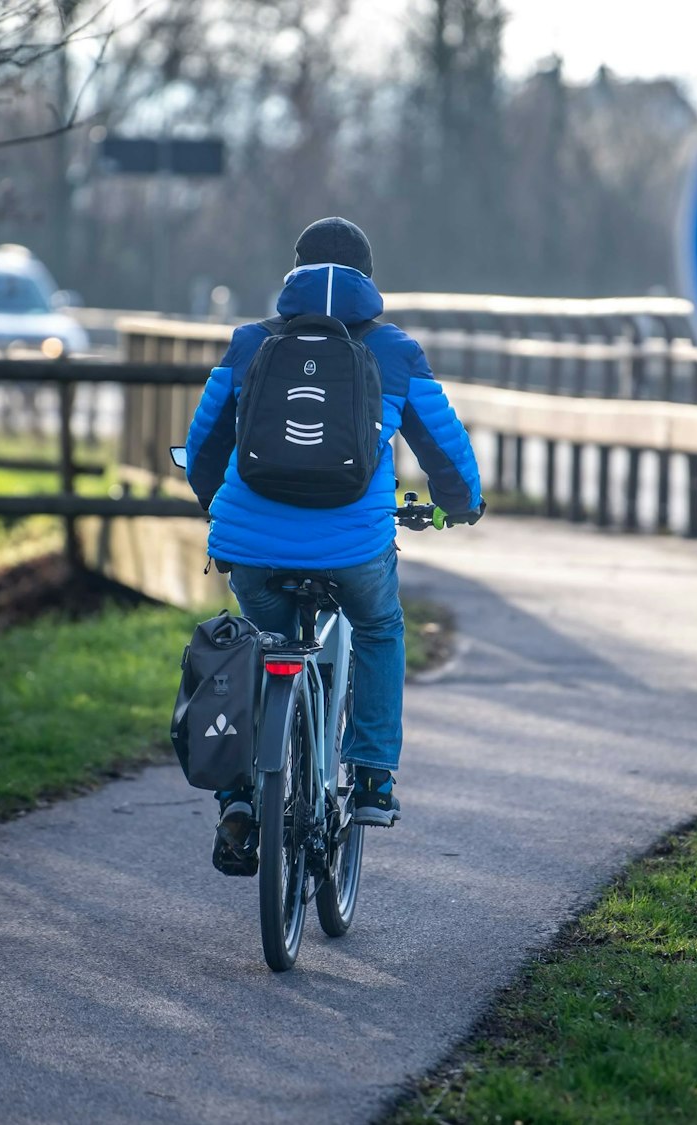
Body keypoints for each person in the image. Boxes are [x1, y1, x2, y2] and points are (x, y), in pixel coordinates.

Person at [183, 217, 485, 872]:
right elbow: (446, 449)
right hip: (353, 547)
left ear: (292, 273)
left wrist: (216, 506)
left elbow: (203, 443)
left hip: (253, 548)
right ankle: (373, 774)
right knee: (378, 626)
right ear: (368, 283)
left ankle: (239, 795)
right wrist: (462, 505)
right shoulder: (397, 352)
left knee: (259, 650)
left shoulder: (248, 343)